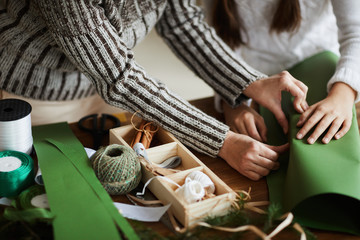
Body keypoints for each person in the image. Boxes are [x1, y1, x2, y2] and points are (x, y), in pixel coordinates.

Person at [0, 0, 308, 180]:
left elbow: (182, 22)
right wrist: (222, 141)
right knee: (44, 184)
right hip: (33, 96)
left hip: (108, 90)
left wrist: (251, 81)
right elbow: (118, 77)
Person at [208, 0, 360, 145]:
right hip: (249, 86)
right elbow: (211, 45)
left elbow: (355, 33)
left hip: (325, 73)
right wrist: (231, 101)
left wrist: (343, 95)